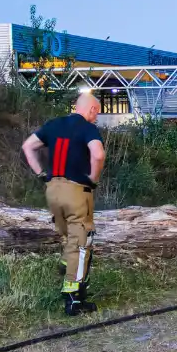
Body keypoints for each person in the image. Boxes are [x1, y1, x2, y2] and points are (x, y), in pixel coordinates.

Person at [21, 92, 106, 315]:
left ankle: (66, 264)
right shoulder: (87, 128)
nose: (96, 117)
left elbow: (28, 146)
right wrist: (93, 178)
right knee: (81, 241)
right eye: (97, 112)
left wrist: (40, 173)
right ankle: (73, 296)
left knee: (68, 236)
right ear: (91, 109)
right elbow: (98, 155)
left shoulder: (54, 124)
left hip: (53, 190)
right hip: (76, 190)